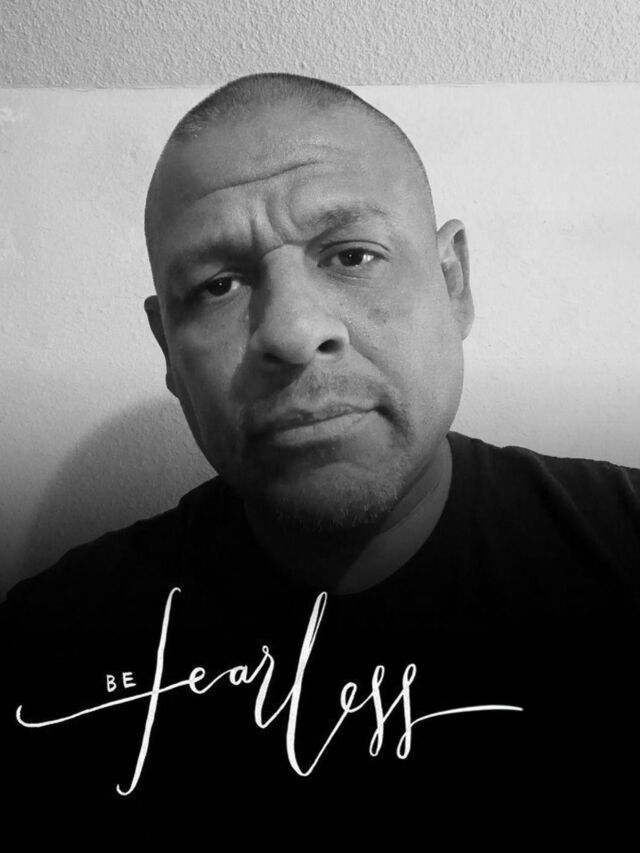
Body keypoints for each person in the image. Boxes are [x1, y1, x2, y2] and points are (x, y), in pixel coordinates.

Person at [2, 73, 640, 851]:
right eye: (218, 285)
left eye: (353, 255)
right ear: (168, 348)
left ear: (453, 284)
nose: (293, 332)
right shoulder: (50, 659)